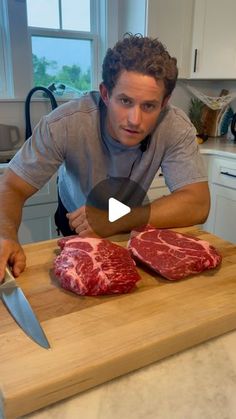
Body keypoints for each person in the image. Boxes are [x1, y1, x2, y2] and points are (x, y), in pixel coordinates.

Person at [0, 33, 210, 281]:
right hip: (76, 219)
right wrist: (5, 236)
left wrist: (118, 217)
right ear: (106, 93)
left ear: (164, 103)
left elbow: (198, 203)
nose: (135, 120)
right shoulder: (64, 124)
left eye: (149, 106)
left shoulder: (175, 126)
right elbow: (12, 185)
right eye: (125, 101)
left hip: (133, 219)